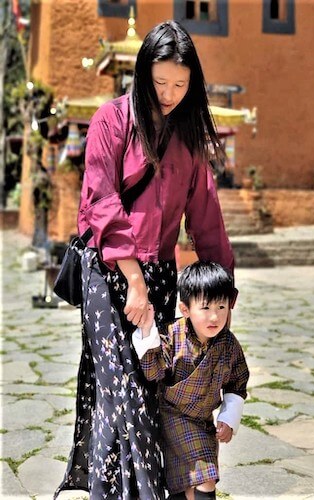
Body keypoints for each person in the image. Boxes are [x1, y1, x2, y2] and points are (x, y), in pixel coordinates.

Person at [55, 20, 235, 500]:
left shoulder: (190, 139)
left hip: (159, 278)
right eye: (159, 83)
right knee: (124, 390)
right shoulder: (111, 121)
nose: (170, 94)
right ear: (141, 75)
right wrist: (132, 280)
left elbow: (207, 221)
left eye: (180, 84)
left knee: (150, 393)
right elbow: (101, 201)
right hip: (109, 272)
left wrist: (221, 297)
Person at [132, 261, 249, 500]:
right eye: (205, 308)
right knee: (206, 476)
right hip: (175, 417)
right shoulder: (174, 334)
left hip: (204, 421)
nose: (215, 316)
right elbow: (153, 372)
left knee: (187, 486)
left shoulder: (228, 344)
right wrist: (147, 332)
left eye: (221, 306)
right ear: (185, 309)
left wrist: (228, 418)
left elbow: (237, 383)